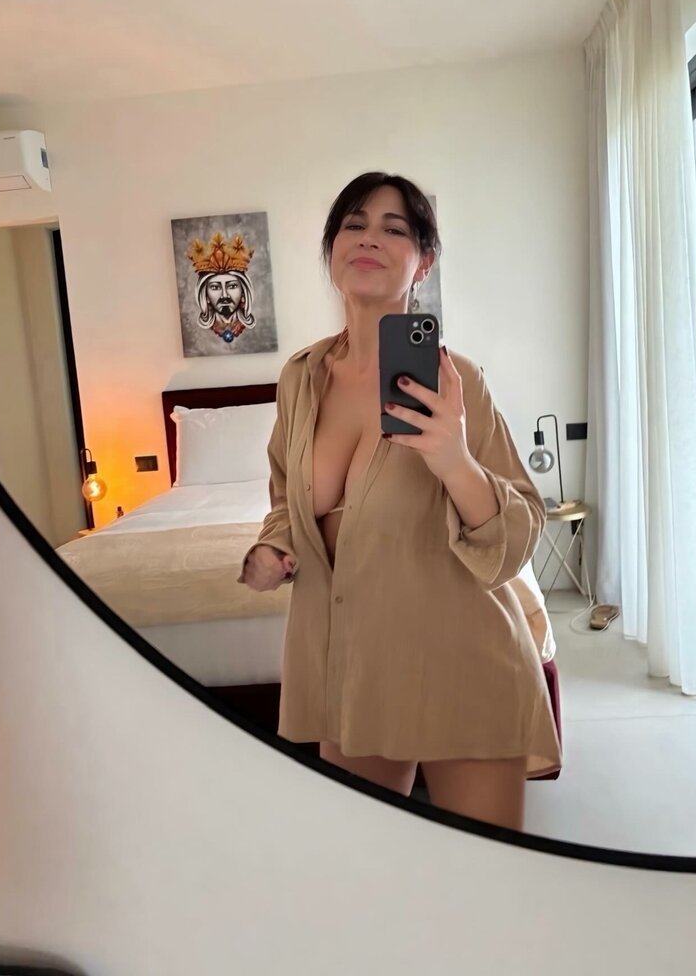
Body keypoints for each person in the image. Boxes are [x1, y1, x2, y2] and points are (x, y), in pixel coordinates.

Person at [239, 172, 560, 831]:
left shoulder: (454, 379)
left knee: (484, 875)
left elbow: (519, 536)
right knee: (371, 871)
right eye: (354, 225)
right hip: (352, 670)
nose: (369, 239)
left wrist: (453, 458)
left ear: (424, 261)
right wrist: (273, 547)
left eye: (394, 229)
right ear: (332, 251)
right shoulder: (300, 379)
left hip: (463, 662)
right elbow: (286, 498)